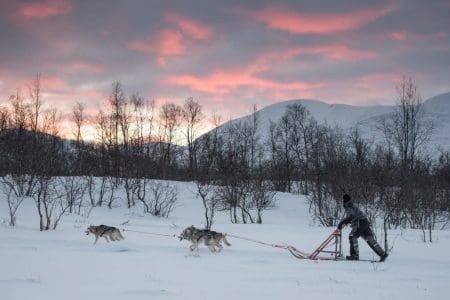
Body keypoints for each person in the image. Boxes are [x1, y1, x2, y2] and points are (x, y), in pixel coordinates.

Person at [337, 194, 388, 262]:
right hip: (365, 222)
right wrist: (345, 222)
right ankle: (382, 254)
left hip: (360, 222)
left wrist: (342, 223)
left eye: (342, 200)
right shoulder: (352, 205)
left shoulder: (348, 206)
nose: (342, 201)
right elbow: (352, 216)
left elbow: (351, 216)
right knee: (369, 238)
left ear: (344, 200)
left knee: (352, 236)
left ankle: (354, 255)